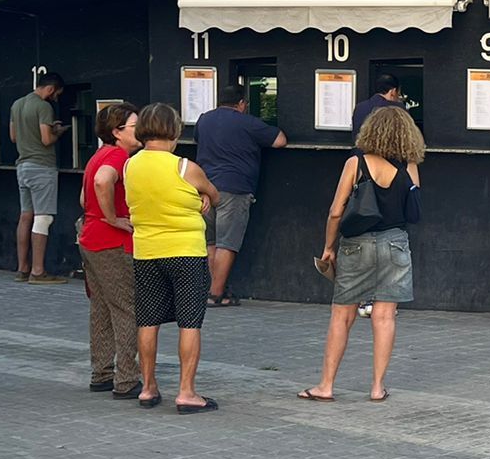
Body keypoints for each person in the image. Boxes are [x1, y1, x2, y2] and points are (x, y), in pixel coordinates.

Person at [302, 103, 426, 402]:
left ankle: (326, 385)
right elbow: (413, 208)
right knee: (385, 316)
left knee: (341, 316)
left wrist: (329, 246)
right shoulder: (409, 165)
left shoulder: (355, 163)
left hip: (356, 244)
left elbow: (335, 211)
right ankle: (377, 387)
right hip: (395, 242)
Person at [124, 103, 220, 412]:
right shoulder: (184, 167)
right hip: (185, 252)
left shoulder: (130, 166)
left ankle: (148, 388)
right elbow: (214, 195)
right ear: (174, 130)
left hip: (146, 251)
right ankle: (186, 392)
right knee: (189, 322)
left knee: (148, 321)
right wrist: (204, 196)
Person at [193, 83, 287, 308]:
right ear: (242, 103)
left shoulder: (204, 119)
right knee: (228, 243)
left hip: (205, 187)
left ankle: (210, 290)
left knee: (211, 241)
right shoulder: (248, 122)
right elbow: (280, 140)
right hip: (234, 188)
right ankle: (216, 294)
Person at [79, 103, 140, 399]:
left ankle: (101, 373)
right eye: (134, 126)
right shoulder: (117, 155)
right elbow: (104, 181)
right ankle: (127, 379)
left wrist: (100, 214)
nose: (140, 131)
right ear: (117, 132)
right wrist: (113, 217)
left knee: (101, 308)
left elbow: (83, 196)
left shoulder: (97, 155)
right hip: (111, 241)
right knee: (127, 308)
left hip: (90, 238)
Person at [9, 71, 70, 285]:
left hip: (22, 166)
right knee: (43, 218)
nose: (56, 98)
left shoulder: (17, 104)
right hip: (42, 167)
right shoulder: (44, 107)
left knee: (26, 216)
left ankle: (22, 269)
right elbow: (46, 139)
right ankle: (38, 271)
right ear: (51, 89)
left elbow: (13, 136)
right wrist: (58, 132)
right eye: (57, 94)